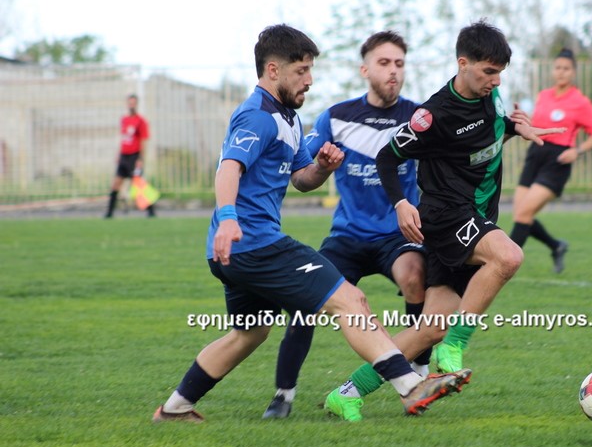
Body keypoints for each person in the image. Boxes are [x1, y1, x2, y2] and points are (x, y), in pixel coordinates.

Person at [152, 24, 463, 423]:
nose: (310, 80)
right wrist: (228, 218)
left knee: (250, 333)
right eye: (301, 71)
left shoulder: (289, 119)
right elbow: (229, 168)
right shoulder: (258, 116)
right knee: (349, 300)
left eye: (310, 70)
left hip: (236, 251)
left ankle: (175, 408)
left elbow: (301, 179)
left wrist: (323, 167)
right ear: (273, 70)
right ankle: (411, 386)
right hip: (254, 243)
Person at [322, 20, 564, 421]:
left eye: (500, 72)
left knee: (429, 329)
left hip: (474, 215)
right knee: (508, 256)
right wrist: (401, 203)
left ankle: (346, 393)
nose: (496, 81)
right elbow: (387, 156)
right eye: (489, 72)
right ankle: (455, 345)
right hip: (446, 216)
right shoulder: (433, 116)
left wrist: (514, 129)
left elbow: (484, 135)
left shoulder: (492, 95)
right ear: (463, 64)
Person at [262, 31, 432, 419]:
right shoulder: (336, 117)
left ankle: (420, 374)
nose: (393, 71)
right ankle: (283, 394)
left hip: (397, 236)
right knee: (304, 301)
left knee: (415, 275)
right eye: (384, 63)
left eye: (399, 64)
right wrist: (322, 164)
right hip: (347, 237)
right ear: (365, 69)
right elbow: (302, 175)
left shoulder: (419, 118)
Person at [508, 48, 592, 273]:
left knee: (523, 214)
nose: (561, 72)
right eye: (558, 68)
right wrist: (523, 123)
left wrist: (577, 151)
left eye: (566, 68)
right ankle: (556, 246)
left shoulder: (580, 102)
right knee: (520, 213)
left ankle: (504, 264)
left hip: (557, 161)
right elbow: (536, 125)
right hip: (535, 154)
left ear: (574, 72)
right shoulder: (544, 95)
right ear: (553, 70)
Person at [105, 94, 156, 218]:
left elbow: (143, 141)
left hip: (134, 157)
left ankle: (151, 211)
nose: (131, 105)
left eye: (133, 103)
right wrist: (119, 154)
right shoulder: (124, 120)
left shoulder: (141, 121)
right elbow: (123, 139)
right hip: (124, 156)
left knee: (138, 184)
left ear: (136, 104)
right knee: (116, 183)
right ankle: (109, 213)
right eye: (130, 103)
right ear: (127, 104)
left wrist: (140, 159)